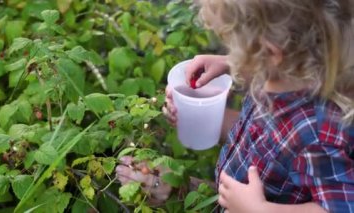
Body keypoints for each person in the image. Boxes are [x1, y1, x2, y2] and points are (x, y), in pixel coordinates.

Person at [116, 0, 354, 212]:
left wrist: (260, 210)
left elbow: (339, 207)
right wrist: (228, 67)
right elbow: (262, 135)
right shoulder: (275, 78)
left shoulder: (316, 132)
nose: (228, 53)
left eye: (231, 46)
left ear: (269, 53)